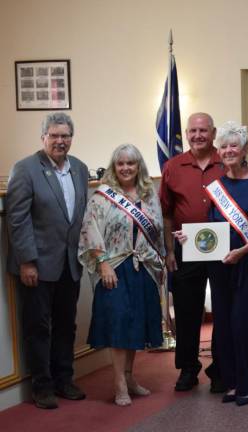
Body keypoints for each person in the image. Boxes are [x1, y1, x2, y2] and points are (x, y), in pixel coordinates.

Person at [175, 121, 248, 406]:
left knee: (245, 324)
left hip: (246, 264)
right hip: (220, 266)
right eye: (225, 146)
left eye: (235, 146)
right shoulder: (217, 186)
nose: (229, 150)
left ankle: (245, 384)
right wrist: (189, 238)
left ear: (244, 150)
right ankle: (230, 382)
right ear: (219, 151)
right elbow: (212, 231)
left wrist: (243, 251)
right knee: (225, 325)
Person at [6, 112, 88, 409]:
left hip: (70, 264)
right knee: (38, 328)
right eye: (54, 135)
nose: (60, 141)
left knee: (67, 325)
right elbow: (17, 220)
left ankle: (64, 379)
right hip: (37, 267)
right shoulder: (25, 169)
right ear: (43, 137)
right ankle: (42, 386)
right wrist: (27, 261)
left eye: (65, 135)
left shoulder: (79, 168)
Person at [78, 144, 165, 406]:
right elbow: (89, 231)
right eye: (120, 164)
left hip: (144, 267)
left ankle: (129, 377)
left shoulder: (149, 195)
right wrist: (102, 264)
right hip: (114, 267)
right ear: (114, 167)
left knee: (135, 323)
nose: (126, 168)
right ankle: (118, 382)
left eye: (131, 163)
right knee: (118, 324)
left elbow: (157, 229)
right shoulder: (102, 197)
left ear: (139, 166)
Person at [159, 112, 225, 392]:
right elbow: (166, 214)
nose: (198, 135)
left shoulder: (229, 163)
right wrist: (169, 251)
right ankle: (188, 368)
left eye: (204, 131)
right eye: (193, 131)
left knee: (223, 310)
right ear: (186, 133)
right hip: (186, 251)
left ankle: (221, 367)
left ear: (213, 132)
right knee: (187, 312)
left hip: (224, 250)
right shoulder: (173, 166)